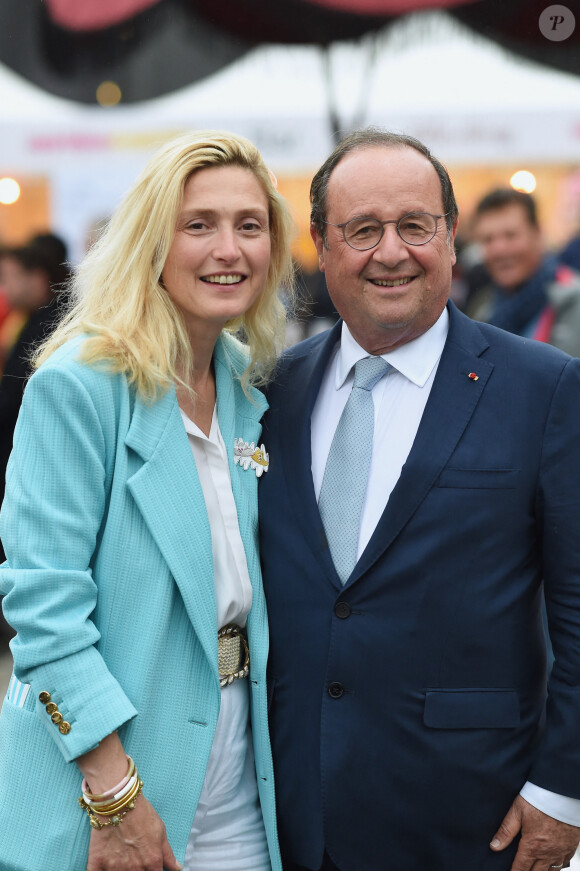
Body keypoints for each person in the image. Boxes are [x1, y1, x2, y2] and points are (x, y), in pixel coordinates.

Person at [258, 129, 580, 871]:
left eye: (415, 225)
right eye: (364, 230)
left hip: (473, 817)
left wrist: (562, 789)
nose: (392, 252)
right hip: (291, 815)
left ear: (451, 233)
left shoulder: (544, 388)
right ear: (321, 243)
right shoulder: (272, 392)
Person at [0, 129, 294, 871]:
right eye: (198, 224)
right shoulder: (79, 384)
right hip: (108, 790)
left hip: (238, 792)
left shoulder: (243, 387)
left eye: (249, 225)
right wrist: (114, 795)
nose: (228, 248)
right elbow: (42, 608)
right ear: (150, 242)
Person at [0, 238, 69, 564]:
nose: (5, 288)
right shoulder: (35, 318)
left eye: (8, 278)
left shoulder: (49, 328)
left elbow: (12, 399)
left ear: (37, 279)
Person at [465, 188, 580, 356]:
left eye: (511, 235)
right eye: (488, 239)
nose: (499, 249)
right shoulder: (482, 306)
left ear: (538, 234)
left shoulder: (572, 301)